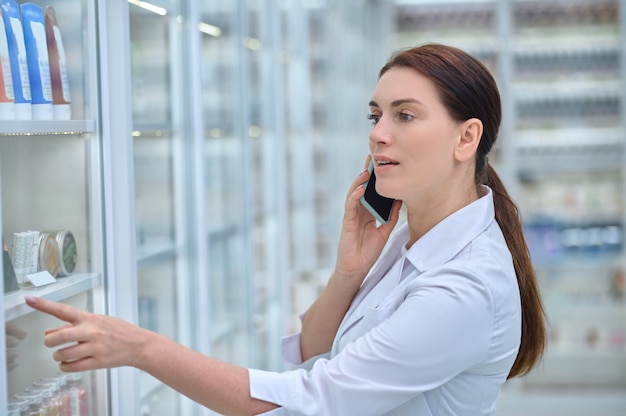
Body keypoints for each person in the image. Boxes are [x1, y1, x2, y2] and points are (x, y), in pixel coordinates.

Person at [26, 43, 546, 416]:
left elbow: (313, 398)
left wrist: (143, 349)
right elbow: (314, 349)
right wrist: (348, 273)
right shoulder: (415, 234)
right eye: (375, 116)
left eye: (405, 116)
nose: (379, 136)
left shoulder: (464, 286)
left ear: (466, 138)